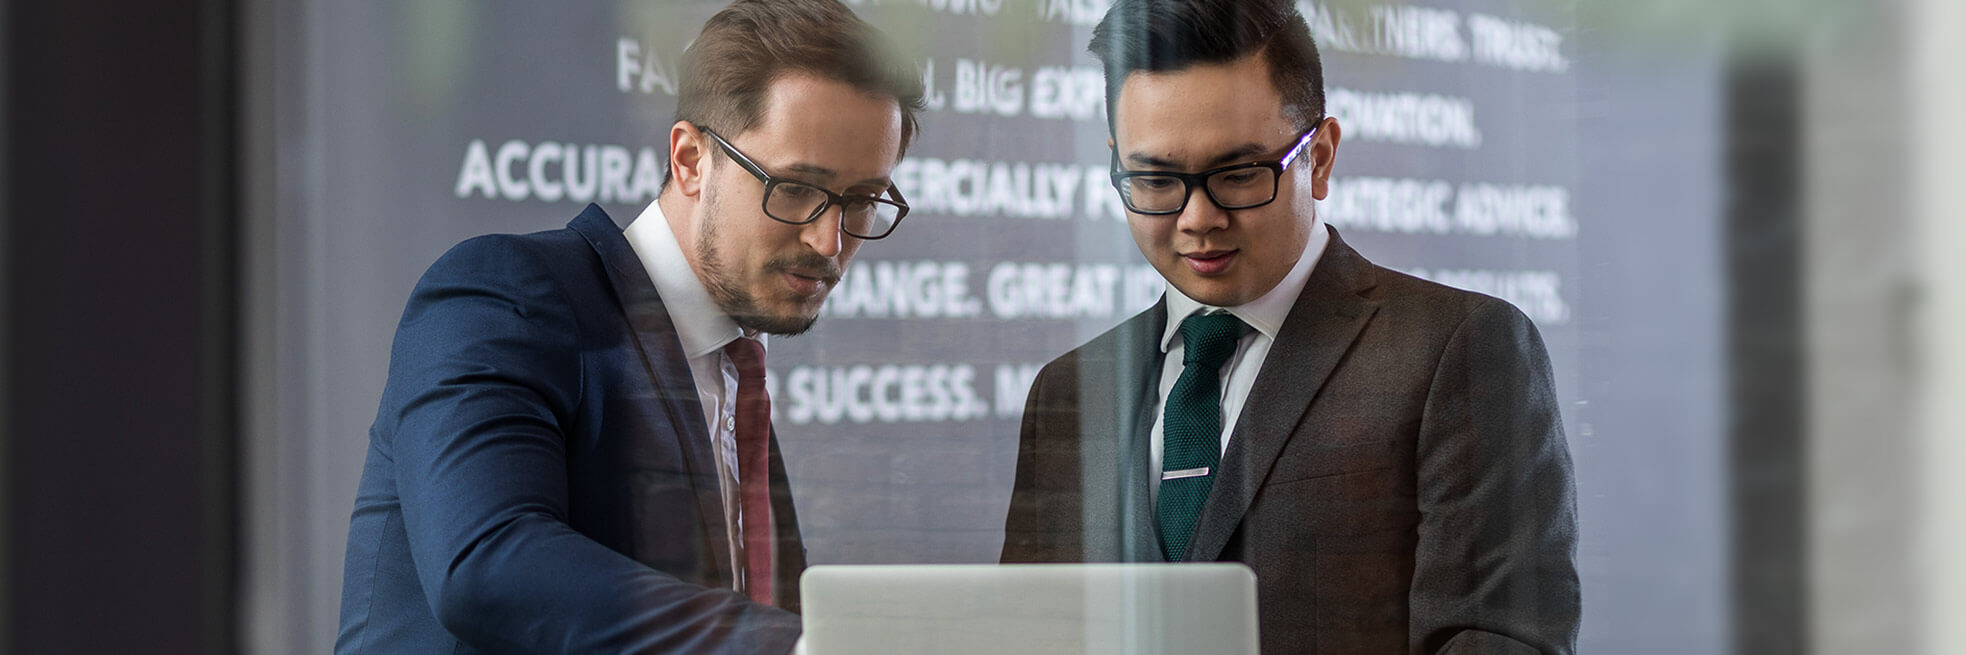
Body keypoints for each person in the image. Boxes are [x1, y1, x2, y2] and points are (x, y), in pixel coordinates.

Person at [335, 1, 924, 652]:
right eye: (793, 188)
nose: (827, 239)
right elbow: (486, 561)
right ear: (691, 159)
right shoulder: (506, 289)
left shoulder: (731, 362)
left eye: (864, 200)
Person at [999, 0, 1581, 652]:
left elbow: (1498, 636)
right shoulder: (1069, 390)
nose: (1197, 218)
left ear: (1322, 157)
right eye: (1156, 178)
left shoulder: (1458, 348)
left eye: (1239, 173)